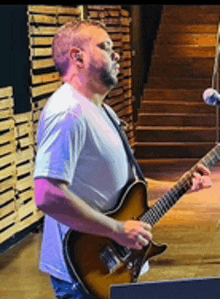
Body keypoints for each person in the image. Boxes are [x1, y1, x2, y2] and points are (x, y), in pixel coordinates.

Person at [34, 19, 213, 299]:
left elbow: (122, 187)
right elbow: (47, 194)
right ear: (77, 57)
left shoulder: (102, 111)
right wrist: (117, 230)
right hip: (83, 275)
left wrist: (179, 187)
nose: (116, 55)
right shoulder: (68, 113)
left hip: (112, 265)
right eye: (105, 47)